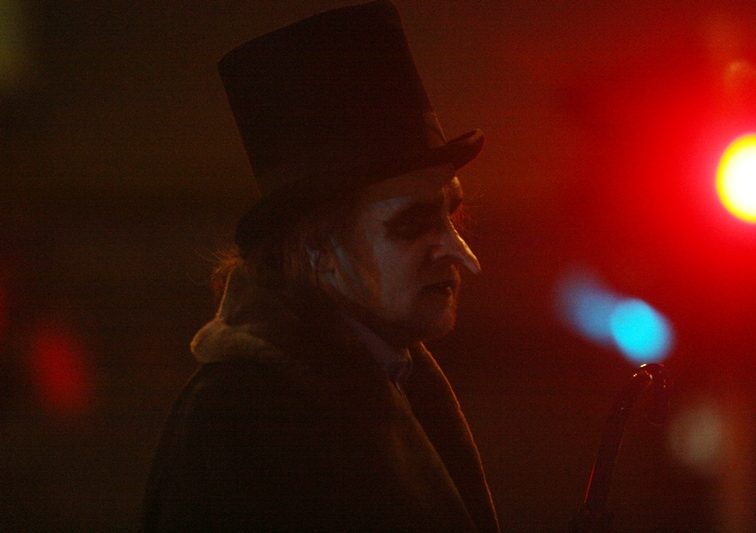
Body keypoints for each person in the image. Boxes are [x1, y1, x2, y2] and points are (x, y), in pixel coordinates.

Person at [142, 1, 499, 531]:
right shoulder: (240, 418)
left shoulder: (398, 379)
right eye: (412, 224)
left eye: (452, 216)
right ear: (318, 249)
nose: (461, 254)